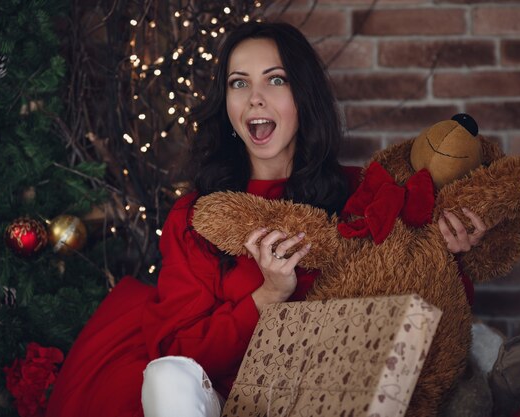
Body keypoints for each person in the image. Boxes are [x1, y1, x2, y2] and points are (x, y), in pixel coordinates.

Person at [46, 22, 487, 417]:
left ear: (303, 98)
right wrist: (267, 296)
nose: (255, 97)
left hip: (334, 395)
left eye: (275, 80)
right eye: (239, 83)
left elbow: (417, 303)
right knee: (166, 377)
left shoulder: (365, 193)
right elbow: (177, 351)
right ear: (227, 107)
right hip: (224, 401)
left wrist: (453, 256)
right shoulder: (199, 216)